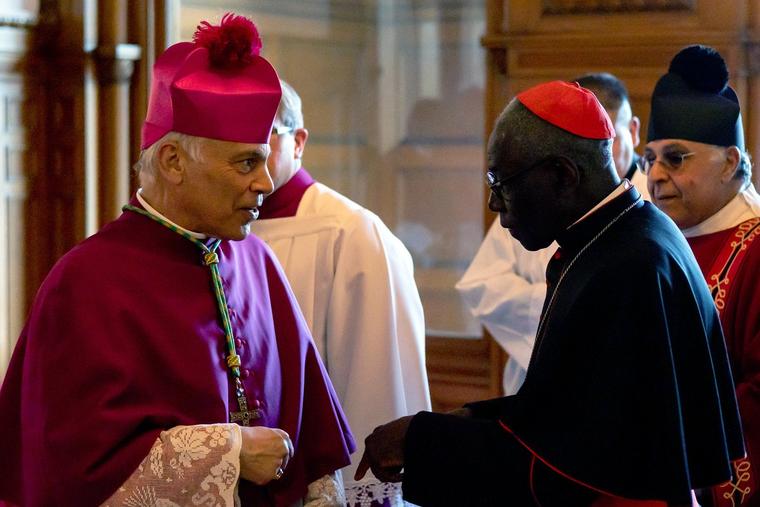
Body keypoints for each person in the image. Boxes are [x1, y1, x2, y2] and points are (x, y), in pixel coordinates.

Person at [0, 13, 354, 507]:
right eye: (245, 163)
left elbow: (314, 441)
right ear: (173, 162)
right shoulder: (87, 282)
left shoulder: (256, 259)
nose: (265, 183)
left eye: (262, 160)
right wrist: (229, 453)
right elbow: (70, 471)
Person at [356, 80, 745, 506]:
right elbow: (563, 414)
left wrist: (421, 440)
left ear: (562, 175)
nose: (494, 206)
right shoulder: (623, 236)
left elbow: (571, 470)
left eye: (501, 183)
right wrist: (461, 419)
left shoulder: (628, 268)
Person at [250, 80, 431, 506]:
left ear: (298, 141)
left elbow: (376, 381)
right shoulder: (211, 232)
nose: (250, 157)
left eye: (264, 136)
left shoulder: (352, 234)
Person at [456, 72, 646, 395]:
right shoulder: (535, 203)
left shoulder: (641, 237)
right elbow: (480, 284)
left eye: (502, 185)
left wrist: (559, 304)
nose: (494, 205)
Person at [644, 44, 760, 507]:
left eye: (675, 158)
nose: (653, 175)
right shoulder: (659, 237)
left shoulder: (754, 248)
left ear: (730, 162)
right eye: (648, 157)